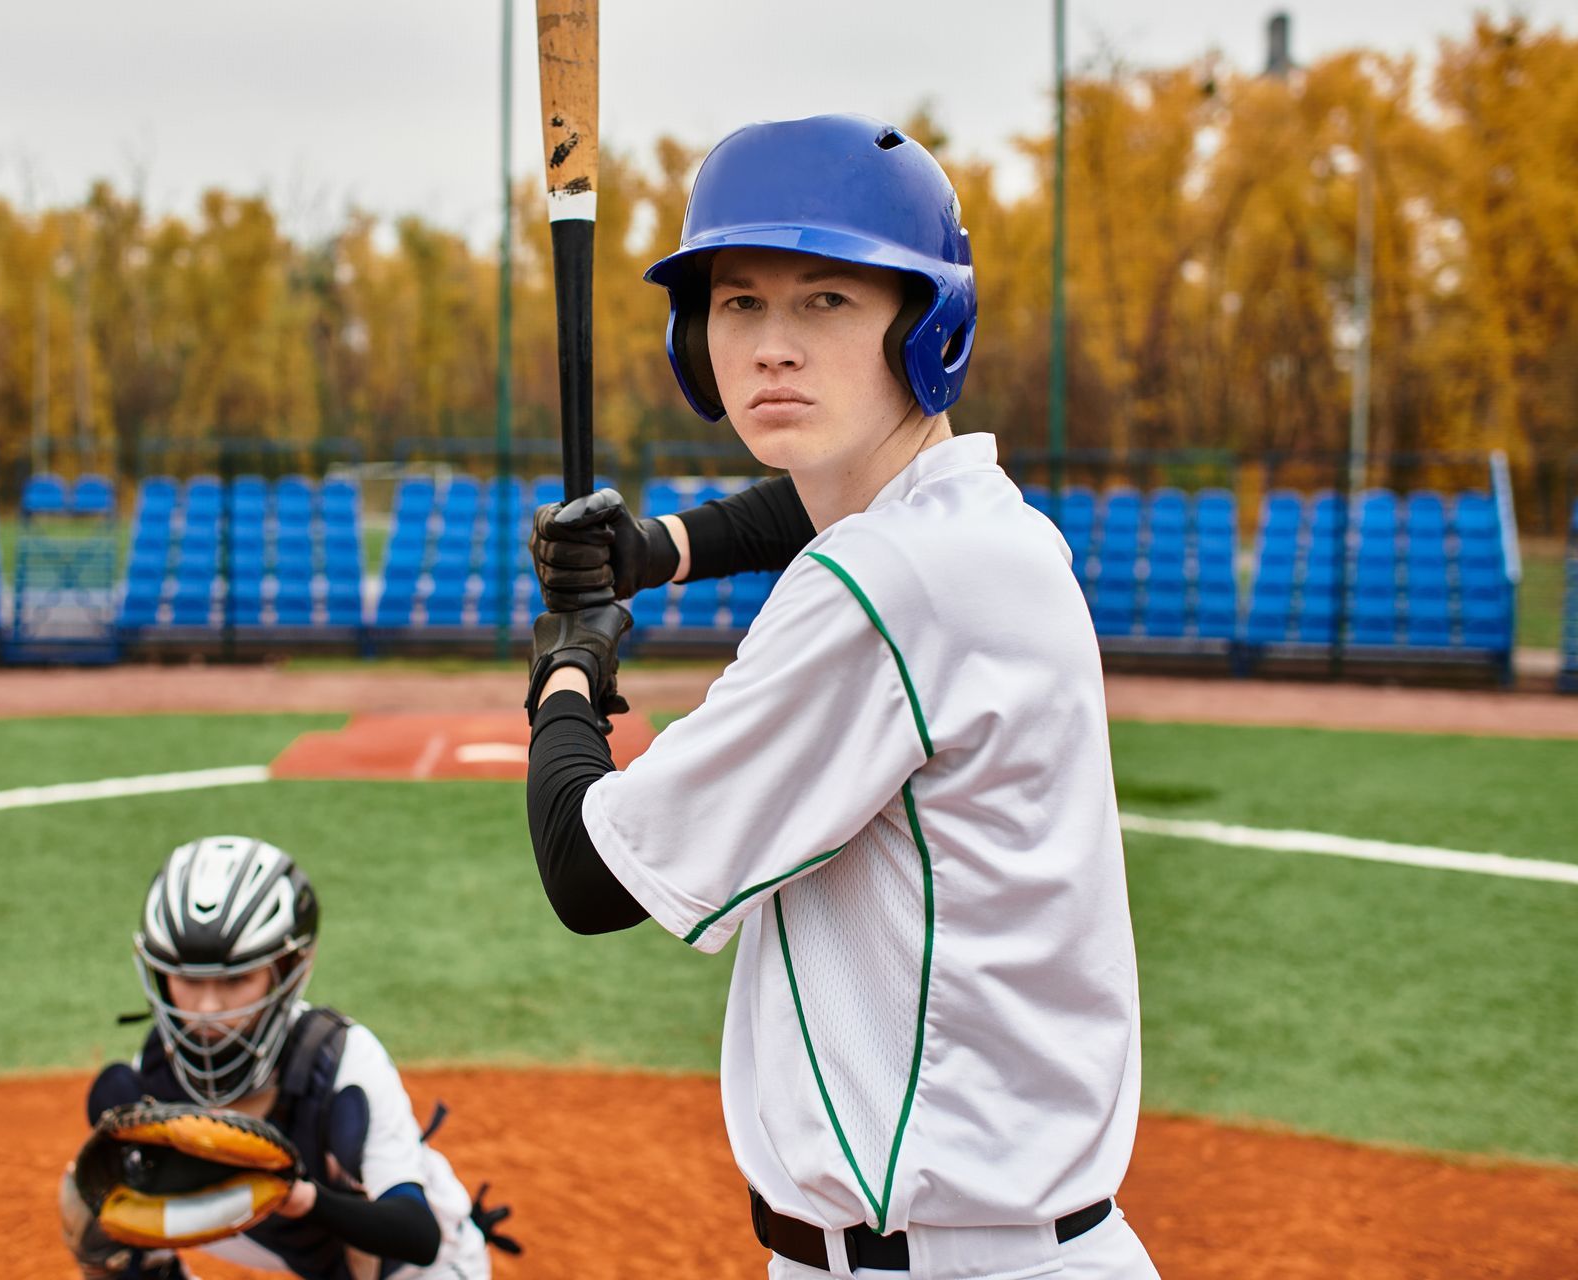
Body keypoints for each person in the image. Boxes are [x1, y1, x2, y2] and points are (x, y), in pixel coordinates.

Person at [524, 114, 1160, 1279]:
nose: (774, 344)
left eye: (827, 301)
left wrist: (567, 668)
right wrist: (654, 549)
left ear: (928, 330)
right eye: (739, 302)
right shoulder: (976, 526)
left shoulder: (884, 583)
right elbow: (817, 508)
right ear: (695, 336)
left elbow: (586, 871)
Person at [59, 835, 511, 1280]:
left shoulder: (339, 1060)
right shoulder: (157, 1069)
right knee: (94, 1196)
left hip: (414, 1268)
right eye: (188, 980)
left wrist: (303, 1197)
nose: (207, 1009)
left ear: (286, 972)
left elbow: (417, 1234)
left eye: (237, 980)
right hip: (298, 1250)